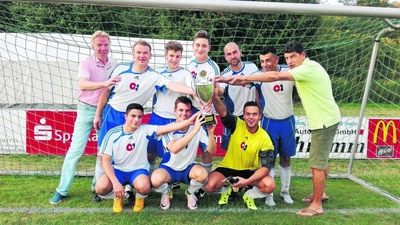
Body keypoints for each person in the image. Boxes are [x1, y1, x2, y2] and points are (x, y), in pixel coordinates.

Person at [225, 40, 340, 216]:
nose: (290, 61)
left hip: (320, 121)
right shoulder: (302, 69)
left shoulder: (300, 71)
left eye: (293, 56)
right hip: (298, 121)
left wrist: (246, 77)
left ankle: (316, 205)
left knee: (315, 164)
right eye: (288, 58)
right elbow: (249, 83)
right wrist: (227, 80)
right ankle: (319, 194)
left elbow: (275, 76)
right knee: (316, 161)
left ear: (303, 55)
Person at [92, 40, 197, 202]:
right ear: (134, 54)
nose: (142, 56)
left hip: (134, 118)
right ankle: (97, 189)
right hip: (113, 115)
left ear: (150, 55)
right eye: (139, 52)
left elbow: (172, 85)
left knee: (136, 151)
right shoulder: (120, 69)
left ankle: (136, 185)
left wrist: (194, 92)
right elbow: (106, 92)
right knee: (102, 154)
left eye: (145, 53)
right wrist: (98, 114)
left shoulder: (154, 76)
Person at [50, 30, 120, 204]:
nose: (103, 48)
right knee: (75, 150)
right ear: (93, 46)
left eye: (105, 45)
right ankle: (62, 190)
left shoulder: (115, 63)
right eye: (99, 45)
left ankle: (98, 188)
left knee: (103, 152)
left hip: (107, 110)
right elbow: (83, 84)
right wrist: (104, 83)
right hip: (86, 109)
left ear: (109, 45)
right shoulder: (86, 63)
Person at [95, 103, 200, 213]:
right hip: (118, 170)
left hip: (138, 171)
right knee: (100, 188)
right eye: (133, 116)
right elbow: (105, 161)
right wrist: (115, 182)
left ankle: (139, 198)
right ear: (126, 116)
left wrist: (189, 121)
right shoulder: (112, 134)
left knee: (144, 187)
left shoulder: (145, 130)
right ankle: (118, 196)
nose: (136, 120)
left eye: (139, 117)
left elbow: (165, 128)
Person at [204, 81, 276, 211]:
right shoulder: (237, 124)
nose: (251, 117)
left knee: (269, 185)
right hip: (228, 169)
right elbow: (223, 112)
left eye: (254, 114)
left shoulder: (265, 138)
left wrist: (246, 181)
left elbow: (266, 168)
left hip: (250, 171)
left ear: (260, 116)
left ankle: (249, 194)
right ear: (244, 115)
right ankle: (226, 190)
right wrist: (215, 97)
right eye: (248, 114)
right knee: (209, 185)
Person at [151, 96, 217, 210]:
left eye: (187, 110)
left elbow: (212, 151)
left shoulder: (198, 128)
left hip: (188, 168)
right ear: (174, 111)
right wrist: (194, 130)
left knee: (203, 175)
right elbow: (175, 148)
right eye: (181, 110)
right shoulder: (167, 128)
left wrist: (211, 133)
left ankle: (190, 192)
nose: (184, 113)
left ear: (191, 112)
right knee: (155, 180)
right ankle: (166, 192)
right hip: (169, 168)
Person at [253, 46, 296, 206]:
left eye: (268, 61)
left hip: (288, 122)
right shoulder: (259, 77)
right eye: (262, 61)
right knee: (269, 160)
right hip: (269, 123)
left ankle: (285, 192)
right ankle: (269, 194)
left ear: (276, 60)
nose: (265, 64)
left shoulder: (290, 73)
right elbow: (249, 86)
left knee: (286, 158)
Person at [147, 41, 195, 174]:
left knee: (170, 156)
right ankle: (149, 179)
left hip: (174, 121)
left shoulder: (185, 74)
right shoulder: (158, 73)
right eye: (171, 55)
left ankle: (168, 184)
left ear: (181, 57)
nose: (174, 59)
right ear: (166, 55)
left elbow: (193, 92)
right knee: (150, 153)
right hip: (157, 118)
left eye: (177, 56)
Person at [188, 30, 220, 175]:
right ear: (193, 46)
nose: (200, 48)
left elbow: (216, 90)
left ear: (209, 48)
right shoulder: (189, 64)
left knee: (206, 147)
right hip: (190, 110)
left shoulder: (212, 67)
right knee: (187, 143)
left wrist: (209, 101)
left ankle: (204, 180)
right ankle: (187, 177)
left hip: (207, 110)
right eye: (197, 45)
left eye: (204, 46)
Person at [218, 42, 258, 150]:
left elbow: (257, 85)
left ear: (240, 52)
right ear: (225, 57)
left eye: (235, 52)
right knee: (231, 150)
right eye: (229, 54)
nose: (232, 56)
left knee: (250, 149)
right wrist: (212, 89)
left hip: (250, 116)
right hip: (233, 117)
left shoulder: (252, 67)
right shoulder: (224, 75)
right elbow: (220, 91)